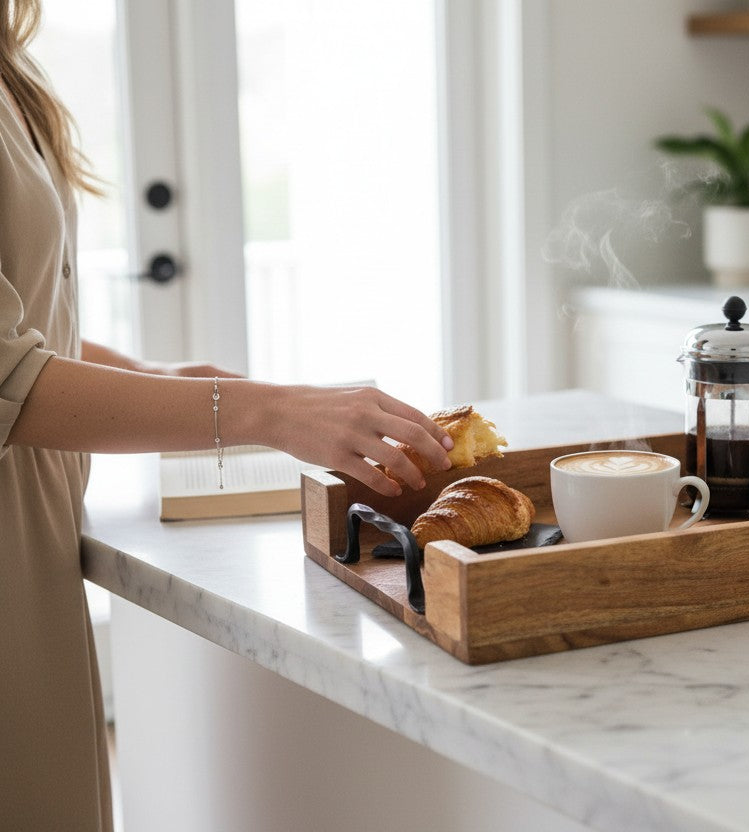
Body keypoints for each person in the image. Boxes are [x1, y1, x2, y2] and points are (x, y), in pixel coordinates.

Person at [0, 3, 452, 828]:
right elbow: (8, 377)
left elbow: (21, 323)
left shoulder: (9, 61)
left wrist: (148, 376)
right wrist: (266, 412)